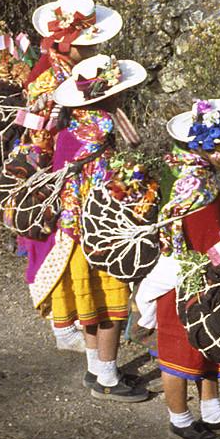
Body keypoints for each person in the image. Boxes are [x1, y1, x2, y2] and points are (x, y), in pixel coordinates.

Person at [148, 99, 220, 439]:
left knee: (207, 342)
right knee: (180, 348)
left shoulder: (194, 176)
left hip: (205, 272)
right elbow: (199, 236)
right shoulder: (196, 188)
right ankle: (179, 416)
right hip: (186, 276)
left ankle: (212, 410)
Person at [11, 0, 121, 353]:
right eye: (85, 45)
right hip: (60, 168)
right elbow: (40, 132)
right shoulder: (46, 78)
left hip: (70, 163)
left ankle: (73, 320)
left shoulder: (59, 65)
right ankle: (65, 323)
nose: (89, 51)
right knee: (58, 243)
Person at [43, 53, 153, 400]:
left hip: (71, 229)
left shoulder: (70, 125)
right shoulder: (102, 129)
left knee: (90, 299)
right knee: (110, 302)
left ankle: (96, 367)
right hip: (98, 229)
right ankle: (106, 375)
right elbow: (109, 181)